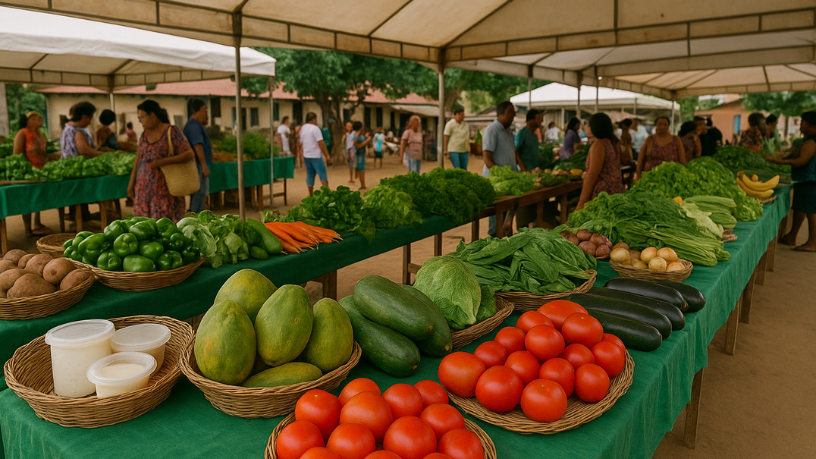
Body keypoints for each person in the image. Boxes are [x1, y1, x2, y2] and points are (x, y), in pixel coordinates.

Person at [128, 100, 194, 222]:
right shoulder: (144, 134)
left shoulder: (171, 131)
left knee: (165, 226)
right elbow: (138, 159)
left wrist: (161, 162)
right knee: (143, 226)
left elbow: (188, 154)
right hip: (144, 191)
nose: (140, 121)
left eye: (142, 117)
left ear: (152, 115)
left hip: (167, 191)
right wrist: (131, 183)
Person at [767, 111, 816, 251]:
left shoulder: (812, 142)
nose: (800, 126)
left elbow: (801, 161)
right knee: (802, 208)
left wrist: (776, 161)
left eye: (803, 124)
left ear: (812, 126)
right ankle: (791, 236)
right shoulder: (807, 140)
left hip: (810, 181)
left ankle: (813, 243)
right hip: (804, 180)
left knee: (812, 212)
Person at [483, 101, 527, 236]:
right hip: (497, 183)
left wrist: (523, 169)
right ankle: (493, 245)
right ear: (501, 113)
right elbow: (487, 158)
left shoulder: (509, 132)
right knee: (495, 224)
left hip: (509, 182)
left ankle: (505, 240)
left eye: (514, 114)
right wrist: (502, 176)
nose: (513, 117)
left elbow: (514, 152)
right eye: (510, 113)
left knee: (506, 221)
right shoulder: (492, 130)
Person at [12, 112, 52, 236]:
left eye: (39, 117)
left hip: (40, 171)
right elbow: (17, 154)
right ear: (27, 121)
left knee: (37, 197)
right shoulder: (23, 133)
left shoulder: (40, 135)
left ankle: (37, 224)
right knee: (27, 198)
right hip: (28, 172)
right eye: (34, 118)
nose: (38, 120)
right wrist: (24, 169)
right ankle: (28, 229)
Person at [577, 113, 625, 209]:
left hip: (603, 194)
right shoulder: (609, 143)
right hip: (613, 193)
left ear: (594, 127)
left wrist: (581, 202)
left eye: (589, 125)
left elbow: (592, 175)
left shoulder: (598, 145)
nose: (587, 127)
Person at [183, 99, 212, 213]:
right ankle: (194, 218)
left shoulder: (196, 125)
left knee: (201, 194)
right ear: (194, 111)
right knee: (198, 193)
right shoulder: (193, 126)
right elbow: (197, 145)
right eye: (204, 109)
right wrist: (204, 165)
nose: (206, 113)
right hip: (197, 166)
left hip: (198, 166)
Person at [300, 112, 333, 195]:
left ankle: (310, 195)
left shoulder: (303, 128)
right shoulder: (315, 128)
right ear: (313, 119)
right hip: (316, 156)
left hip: (307, 156)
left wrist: (301, 155)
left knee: (310, 176)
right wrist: (327, 155)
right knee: (323, 176)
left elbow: (300, 143)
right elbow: (321, 143)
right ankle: (327, 194)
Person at [444, 105, 471, 170]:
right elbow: (446, 136)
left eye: (462, 114)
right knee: (457, 168)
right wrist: (446, 151)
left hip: (464, 150)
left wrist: (469, 148)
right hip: (454, 150)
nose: (462, 116)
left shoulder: (465, 125)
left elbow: (467, 137)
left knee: (464, 169)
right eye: (460, 114)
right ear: (456, 115)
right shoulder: (450, 124)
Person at [352, 122, 371, 190]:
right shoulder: (357, 136)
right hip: (359, 155)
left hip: (360, 155)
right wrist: (367, 141)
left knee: (361, 170)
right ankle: (363, 185)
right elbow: (358, 146)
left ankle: (363, 184)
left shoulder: (359, 135)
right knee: (361, 170)